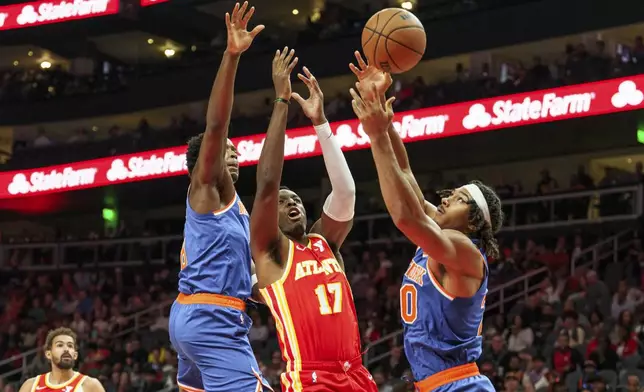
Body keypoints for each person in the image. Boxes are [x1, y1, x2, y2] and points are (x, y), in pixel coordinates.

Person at [348, 51, 503, 392]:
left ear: (474, 222)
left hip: (460, 385)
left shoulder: (465, 251)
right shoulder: (444, 235)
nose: (446, 198)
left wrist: (374, 137)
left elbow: (406, 217)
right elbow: (405, 176)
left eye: (460, 198)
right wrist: (382, 119)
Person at [250, 48, 377, 392]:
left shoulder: (324, 242)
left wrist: (321, 123)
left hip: (356, 374)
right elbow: (267, 183)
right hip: (312, 379)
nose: (293, 204)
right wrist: (281, 101)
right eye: (283, 202)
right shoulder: (271, 253)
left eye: (297, 200)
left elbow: (346, 194)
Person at [168, 2, 271, 391]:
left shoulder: (234, 210)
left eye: (235, 150)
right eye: (226, 150)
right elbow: (216, 124)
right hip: (211, 318)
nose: (234, 153)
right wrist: (231, 57)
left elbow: (249, 278)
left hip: (199, 315)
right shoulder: (205, 188)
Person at [18, 328, 104, 392]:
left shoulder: (90, 385)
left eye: (70, 346)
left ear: (75, 355)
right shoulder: (30, 386)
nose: (66, 349)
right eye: (60, 345)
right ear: (48, 354)